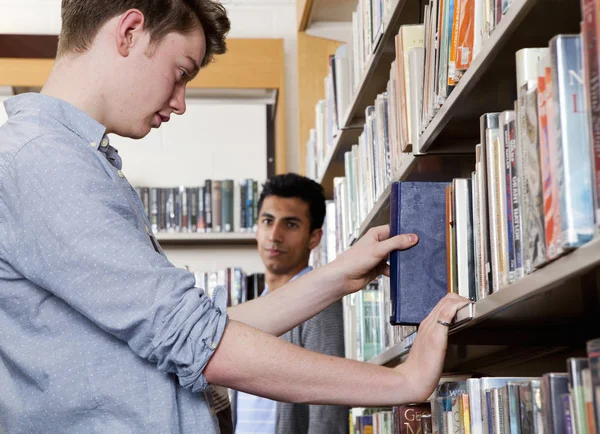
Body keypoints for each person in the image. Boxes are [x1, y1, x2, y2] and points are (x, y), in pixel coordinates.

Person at [0, 1, 470, 433]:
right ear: (129, 32)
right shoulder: (42, 160)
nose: (181, 101)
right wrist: (401, 383)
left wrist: (335, 276)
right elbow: (194, 339)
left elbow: (199, 328)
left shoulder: (64, 160)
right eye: (180, 71)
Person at [235, 173, 348, 434]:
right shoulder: (254, 309)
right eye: (267, 221)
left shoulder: (320, 306)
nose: (275, 235)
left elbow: (328, 411)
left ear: (314, 238)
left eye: (291, 224)